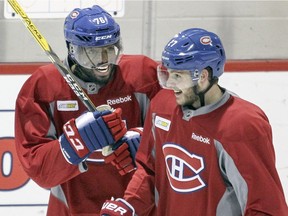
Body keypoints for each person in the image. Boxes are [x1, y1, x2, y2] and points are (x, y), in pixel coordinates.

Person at [100, 28, 288, 216]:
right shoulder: (162, 106)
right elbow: (149, 170)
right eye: (168, 74)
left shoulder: (240, 125)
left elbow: (265, 207)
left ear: (203, 76)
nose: (170, 84)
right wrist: (131, 205)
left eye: (178, 76)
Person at [14, 5, 161, 216]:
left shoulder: (143, 76)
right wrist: (75, 142)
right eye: (91, 53)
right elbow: (39, 170)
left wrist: (145, 141)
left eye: (110, 50)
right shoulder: (44, 86)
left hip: (136, 208)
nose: (103, 61)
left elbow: (179, 134)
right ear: (72, 50)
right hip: (70, 209)